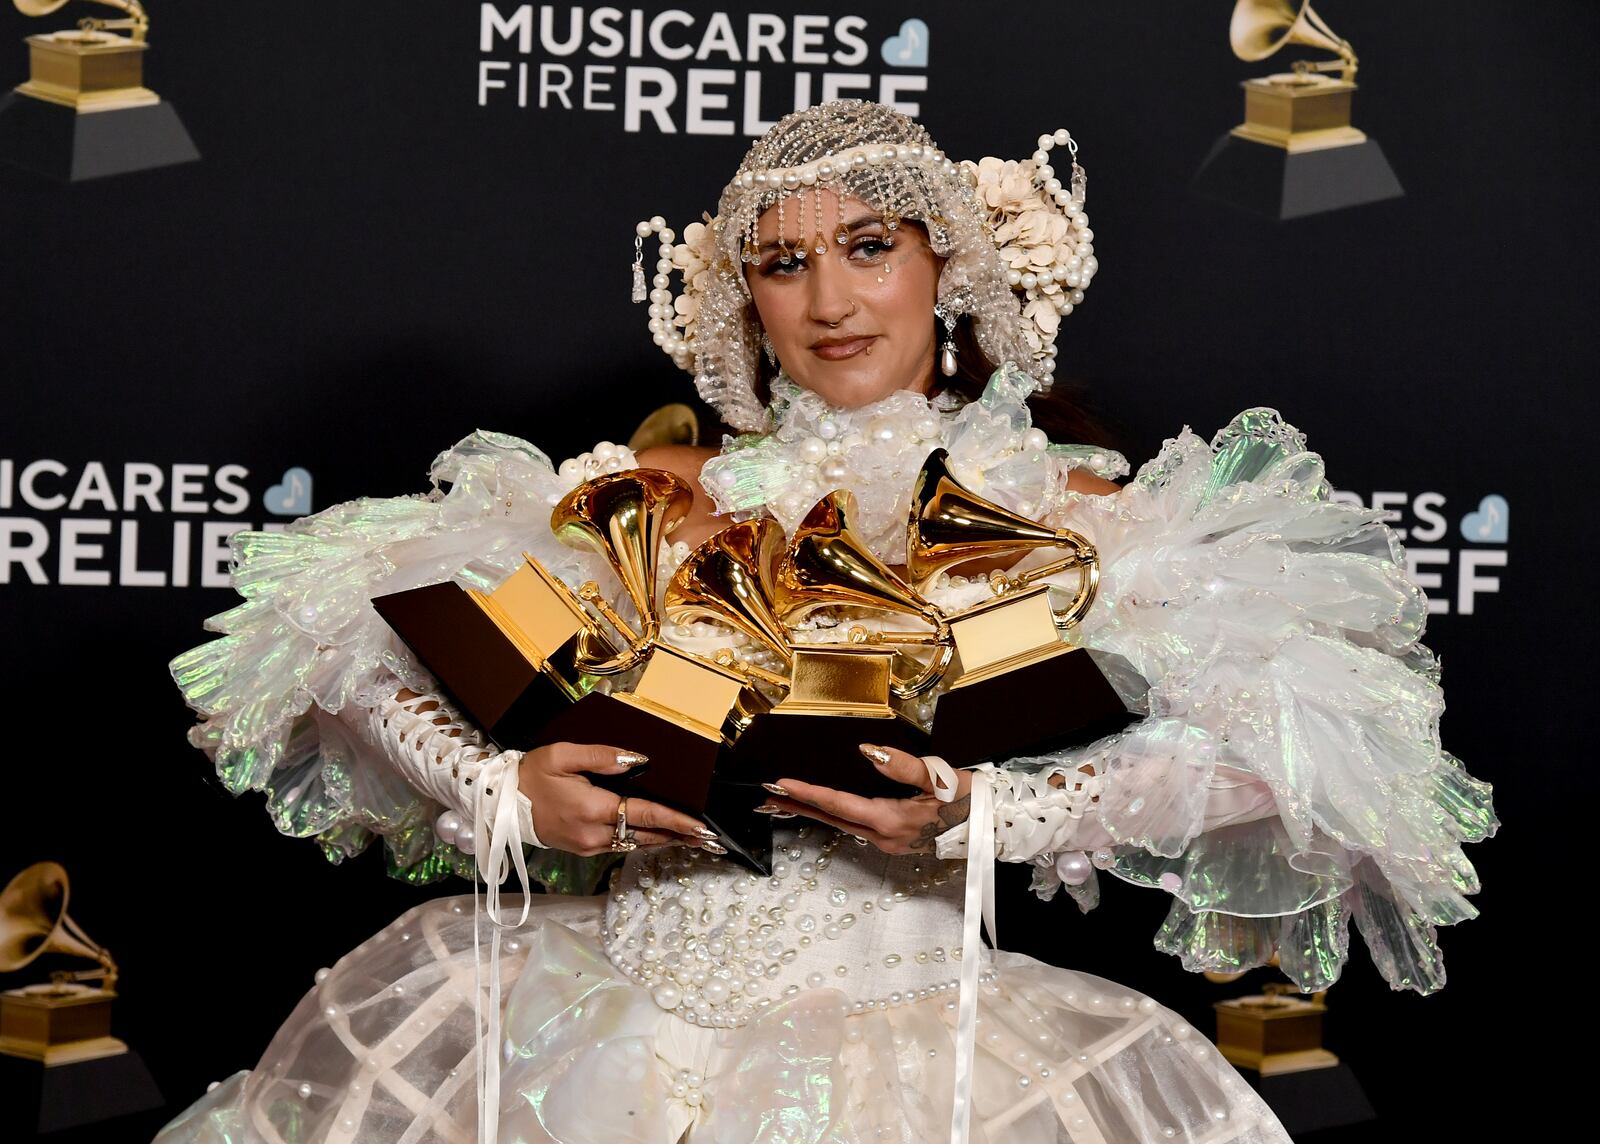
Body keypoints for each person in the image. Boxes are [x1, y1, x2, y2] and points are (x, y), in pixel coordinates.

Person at [157, 101, 1495, 1143]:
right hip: (578, 1027)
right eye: (783, 263)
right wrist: (504, 788)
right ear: (746, 299)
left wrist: (987, 815)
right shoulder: (656, 496)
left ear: (945, 265)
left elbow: (1290, 756)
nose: (830, 301)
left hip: (911, 1052)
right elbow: (328, 645)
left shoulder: (1067, 510)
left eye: (868, 248)